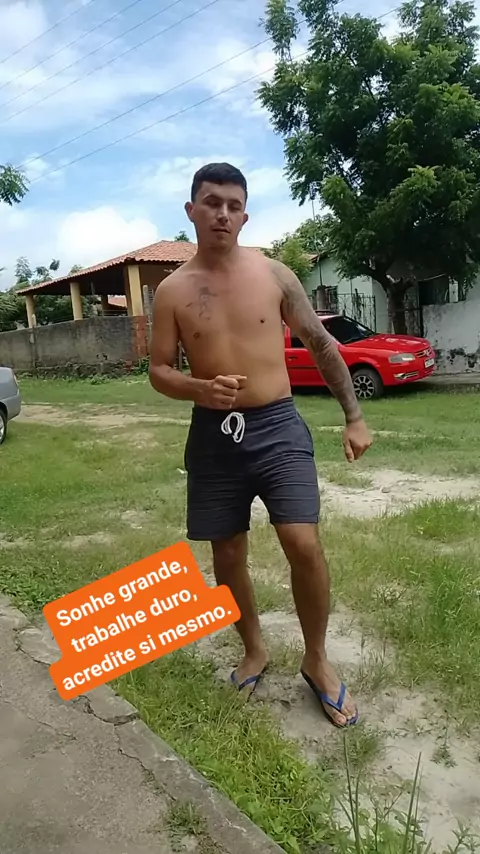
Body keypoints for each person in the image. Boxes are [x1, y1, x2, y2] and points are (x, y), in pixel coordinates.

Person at [148, 162, 373, 728]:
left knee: (303, 542)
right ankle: (254, 649)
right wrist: (200, 388)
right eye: (211, 202)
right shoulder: (172, 291)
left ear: (245, 215)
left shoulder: (276, 276)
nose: (222, 214)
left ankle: (316, 659)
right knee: (227, 553)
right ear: (191, 211)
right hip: (213, 435)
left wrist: (354, 416)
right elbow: (158, 370)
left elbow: (320, 342)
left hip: (277, 426)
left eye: (233, 205)